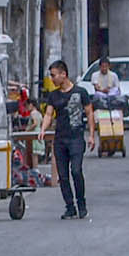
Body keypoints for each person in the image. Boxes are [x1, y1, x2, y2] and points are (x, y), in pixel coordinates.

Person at [42, 59, 93, 220]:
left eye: (54, 75)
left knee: (76, 171)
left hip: (76, 137)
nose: (52, 79)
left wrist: (91, 135)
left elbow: (90, 113)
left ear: (64, 74)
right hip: (60, 139)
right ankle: (69, 206)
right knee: (62, 176)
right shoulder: (53, 96)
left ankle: (81, 203)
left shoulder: (81, 92)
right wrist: (43, 129)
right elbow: (49, 114)